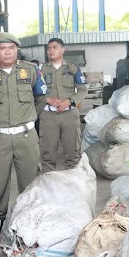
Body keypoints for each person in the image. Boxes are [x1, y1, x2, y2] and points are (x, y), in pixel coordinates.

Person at [0, 31, 47, 253]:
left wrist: (28, 120)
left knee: (30, 184)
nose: (7, 52)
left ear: (16, 50)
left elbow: (40, 98)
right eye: (2, 48)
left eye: (11, 48)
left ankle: (29, 229)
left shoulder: (31, 71)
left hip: (26, 136)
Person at [39, 38, 88, 171]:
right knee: (47, 154)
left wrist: (69, 101)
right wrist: (48, 100)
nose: (51, 51)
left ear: (62, 50)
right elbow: (34, 92)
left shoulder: (72, 68)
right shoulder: (41, 70)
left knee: (73, 153)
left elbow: (83, 90)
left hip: (70, 115)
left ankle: (73, 181)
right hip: (48, 116)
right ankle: (49, 181)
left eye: (54, 47)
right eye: (49, 48)